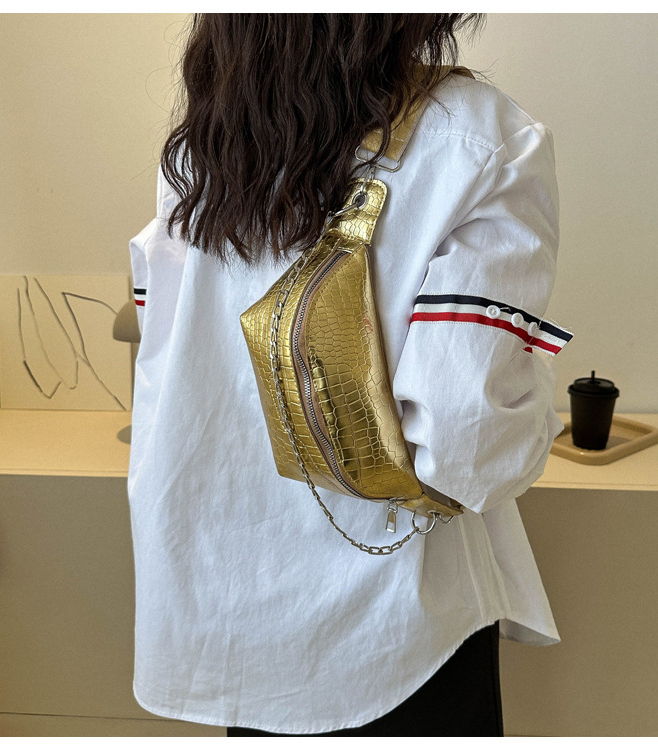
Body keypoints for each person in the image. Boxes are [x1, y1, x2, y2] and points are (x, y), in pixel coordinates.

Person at [127, 13, 572, 737]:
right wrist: (538, 400)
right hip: (393, 626)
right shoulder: (481, 139)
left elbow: (171, 366)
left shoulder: (207, 147)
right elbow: (467, 449)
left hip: (231, 605)